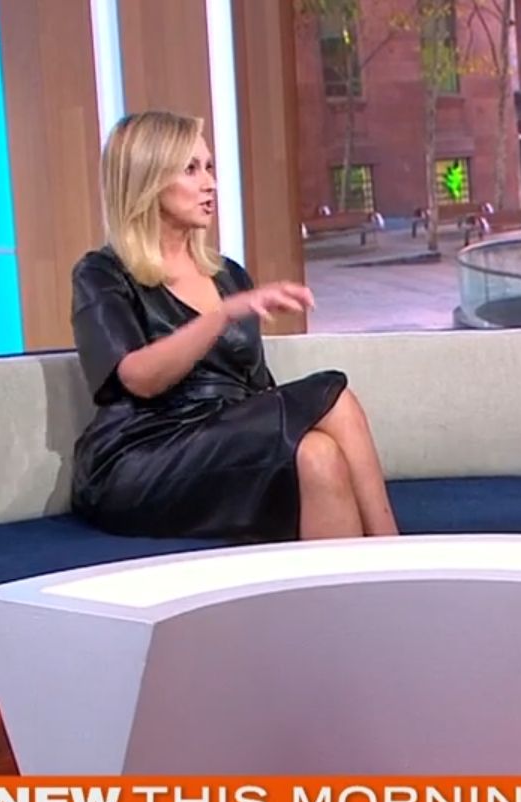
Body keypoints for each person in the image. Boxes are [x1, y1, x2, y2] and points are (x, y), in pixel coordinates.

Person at [68, 110, 399, 543]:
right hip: (142, 456)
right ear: (147, 179)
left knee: (318, 455)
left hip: (225, 440)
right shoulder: (102, 273)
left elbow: (253, 388)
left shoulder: (228, 276)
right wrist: (221, 315)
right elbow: (140, 378)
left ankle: (362, 584)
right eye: (191, 169)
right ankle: (397, 553)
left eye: (209, 167)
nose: (210, 183)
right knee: (334, 395)